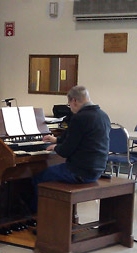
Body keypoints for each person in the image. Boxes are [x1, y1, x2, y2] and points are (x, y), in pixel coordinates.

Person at [31, 85, 111, 213]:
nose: (70, 107)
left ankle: (38, 218)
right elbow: (79, 138)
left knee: (38, 178)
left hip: (80, 172)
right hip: (97, 169)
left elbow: (66, 151)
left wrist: (56, 147)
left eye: (69, 104)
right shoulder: (102, 115)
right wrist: (56, 140)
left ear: (74, 101)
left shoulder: (80, 118)